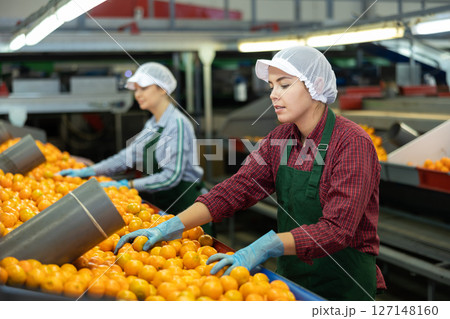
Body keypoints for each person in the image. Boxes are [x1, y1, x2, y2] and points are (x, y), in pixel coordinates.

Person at [114, 46, 386, 301]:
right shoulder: (281, 138)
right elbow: (237, 189)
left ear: (317, 86)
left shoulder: (352, 144)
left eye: (284, 84)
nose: (273, 94)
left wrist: (266, 245)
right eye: (271, 86)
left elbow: (337, 231)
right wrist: (171, 225)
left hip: (345, 286)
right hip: (292, 281)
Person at [58, 62, 204, 215]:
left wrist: (128, 184)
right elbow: (127, 157)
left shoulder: (177, 124)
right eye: (136, 89)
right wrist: (90, 170)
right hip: (163, 203)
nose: (137, 94)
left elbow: (171, 177)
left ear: (162, 89)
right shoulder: (152, 124)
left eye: (144, 88)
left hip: (186, 204)